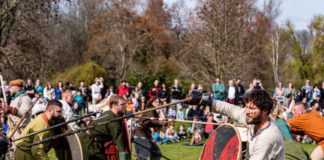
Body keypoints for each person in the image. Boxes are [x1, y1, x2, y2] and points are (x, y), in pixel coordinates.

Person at [186, 89, 284, 159]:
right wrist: (207, 101)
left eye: (252, 109)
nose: (247, 112)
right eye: (247, 107)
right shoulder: (254, 120)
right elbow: (232, 110)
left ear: (265, 111)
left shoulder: (269, 137)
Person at [87, 95, 130, 160]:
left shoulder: (108, 113)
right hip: (91, 144)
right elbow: (119, 139)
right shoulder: (113, 120)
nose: (124, 106)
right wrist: (123, 157)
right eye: (122, 104)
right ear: (114, 106)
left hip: (95, 142)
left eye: (125, 104)